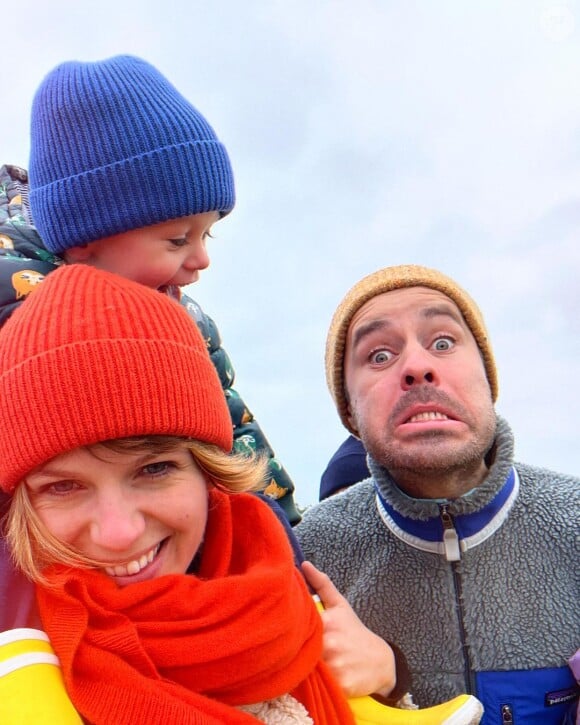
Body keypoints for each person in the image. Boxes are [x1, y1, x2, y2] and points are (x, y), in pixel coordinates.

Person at [0, 263, 354, 724]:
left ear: (209, 473)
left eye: (154, 469)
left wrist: (390, 678)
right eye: (64, 486)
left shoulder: (285, 593)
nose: (119, 533)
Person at [0, 54, 300, 526]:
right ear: (84, 240)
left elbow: (237, 437)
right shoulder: (17, 320)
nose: (202, 259)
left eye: (208, 234)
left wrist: (282, 541)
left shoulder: (188, 320)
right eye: (178, 239)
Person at [297, 264, 579, 724]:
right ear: (349, 410)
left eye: (443, 343)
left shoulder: (575, 519)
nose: (417, 366)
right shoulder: (312, 553)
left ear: (488, 377)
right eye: (380, 355)